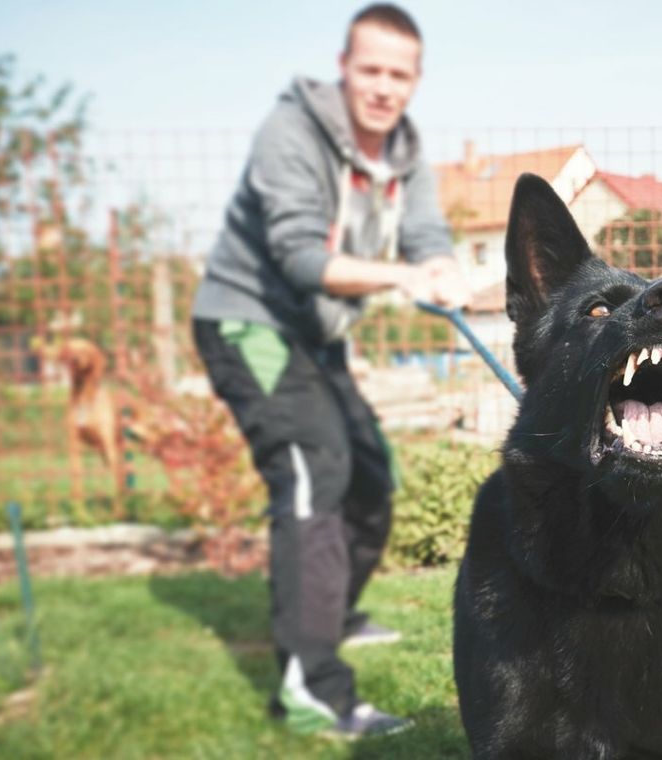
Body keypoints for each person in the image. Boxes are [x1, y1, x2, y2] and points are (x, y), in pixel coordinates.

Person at [191, 3, 468, 738]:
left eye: (398, 75)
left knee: (372, 477)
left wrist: (440, 266)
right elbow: (299, 257)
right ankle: (312, 690)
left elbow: (425, 232)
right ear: (343, 67)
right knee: (315, 470)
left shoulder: (406, 153)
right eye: (369, 70)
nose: (383, 87)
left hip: (316, 338)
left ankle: (331, 611)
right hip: (249, 322)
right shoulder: (289, 133)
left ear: (416, 80)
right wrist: (401, 277)